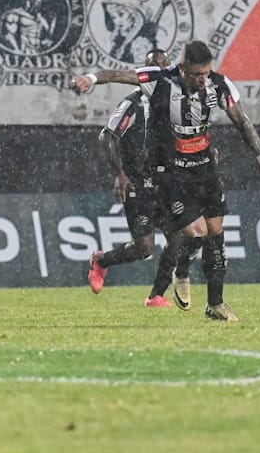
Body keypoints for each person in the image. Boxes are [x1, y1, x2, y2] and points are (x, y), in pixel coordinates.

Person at [72, 40, 260, 321]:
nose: (202, 80)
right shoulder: (155, 85)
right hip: (166, 175)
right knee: (180, 236)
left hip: (204, 171)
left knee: (212, 233)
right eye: (197, 75)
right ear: (182, 69)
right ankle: (167, 273)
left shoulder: (218, 85)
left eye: (205, 74)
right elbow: (119, 78)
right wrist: (92, 78)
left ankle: (208, 301)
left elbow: (242, 121)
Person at [86, 49, 205, 309]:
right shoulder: (133, 103)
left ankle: (156, 296)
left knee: (178, 238)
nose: (161, 74)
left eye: (165, 68)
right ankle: (101, 261)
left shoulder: (177, 103)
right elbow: (107, 136)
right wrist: (121, 172)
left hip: (164, 184)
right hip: (137, 184)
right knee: (144, 248)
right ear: (145, 73)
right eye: (155, 68)